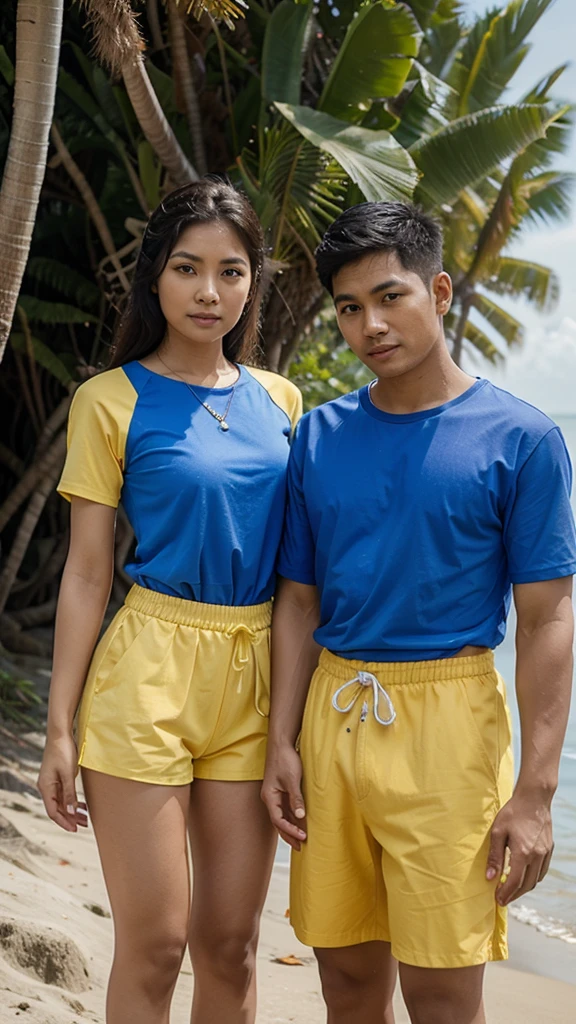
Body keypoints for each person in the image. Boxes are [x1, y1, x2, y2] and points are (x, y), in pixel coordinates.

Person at [262, 201, 576, 1024]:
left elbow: (547, 620)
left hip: (451, 726)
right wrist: (279, 745)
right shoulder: (319, 438)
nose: (371, 324)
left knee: (442, 995)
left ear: (438, 291)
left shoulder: (524, 438)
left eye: (390, 296)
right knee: (348, 986)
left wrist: (536, 794)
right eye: (349, 307)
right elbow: (298, 600)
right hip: (334, 718)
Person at [37, 177, 302, 1024]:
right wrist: (59, 726)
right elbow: (87, 574)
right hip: (146, 669)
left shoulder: (282, 402)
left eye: (231, 271)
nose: (209, 291)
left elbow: (304, 578)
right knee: (154, 944)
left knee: (230, 946)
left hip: (254, 678)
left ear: (253, 282)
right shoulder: (108, 400)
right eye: (188, 268)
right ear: (156, 276)